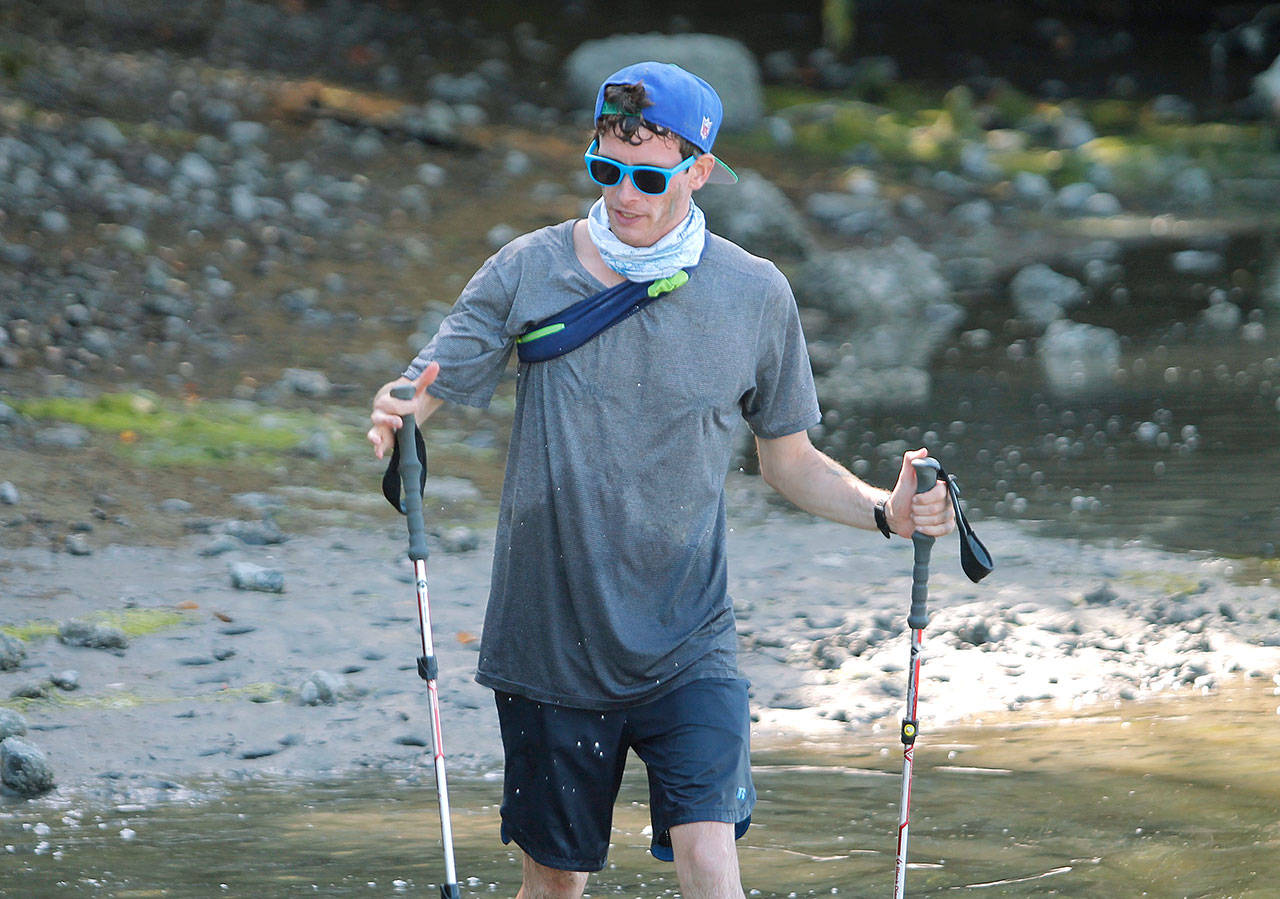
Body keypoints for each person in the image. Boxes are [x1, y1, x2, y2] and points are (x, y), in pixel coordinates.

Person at [368, 60, 955, 899]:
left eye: (647, 176)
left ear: (700, 171)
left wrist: (889, 512)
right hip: (550, 640)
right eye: (605, 169)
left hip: (690, 638)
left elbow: (788, 461)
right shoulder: (528, 270)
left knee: (711, 862)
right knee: (556, 882)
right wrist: (396, 414)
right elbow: (427, 377)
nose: (623, 195)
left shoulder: (754, 294)